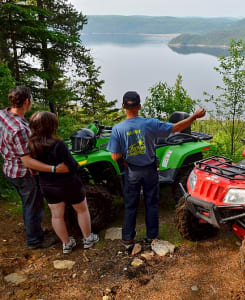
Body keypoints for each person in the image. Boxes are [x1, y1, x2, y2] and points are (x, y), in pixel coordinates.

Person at [107, 91, 206, 248]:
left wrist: (126, 162)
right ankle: (151, 236)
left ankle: (127, 239)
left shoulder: (118, 129)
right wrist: (194, 116)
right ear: (139, 106)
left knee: (131, 205)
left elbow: (114, 156)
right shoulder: (149, 124)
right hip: (150, 170)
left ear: (123, 106)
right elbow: (176, 127)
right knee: (151, 203)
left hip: (132, 171)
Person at [0, 86, 68, 249]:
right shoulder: (21, 130)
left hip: (10, 167)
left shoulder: (3, 114)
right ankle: (35, 240)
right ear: (26, 102)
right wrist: (54, 169)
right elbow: (28, 162)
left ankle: (35, 231)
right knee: (33, 205)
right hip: (24, 173)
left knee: (28, 203)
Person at [28, 111, 100, 254]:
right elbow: (71, 165)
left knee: (56, 215)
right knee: (82, 209)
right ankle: (88, 238)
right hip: (68, 183)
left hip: (47, 184)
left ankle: (66, 244)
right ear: (52, 126)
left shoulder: (31, 145)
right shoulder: (58, 144)